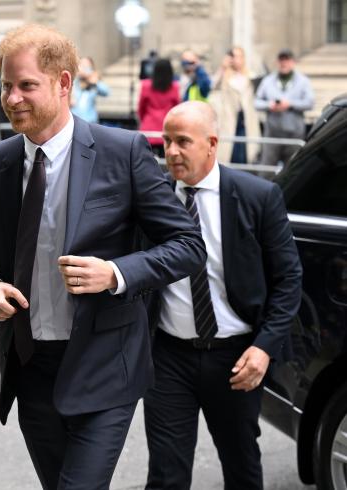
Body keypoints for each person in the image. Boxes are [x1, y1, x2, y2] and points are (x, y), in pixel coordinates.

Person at [0, 24, 206, 489]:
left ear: (63, 83)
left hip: (104, 365)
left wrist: (115, 273)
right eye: (7, 85)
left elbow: (188, 246)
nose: (12, 99)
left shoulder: (122, 152)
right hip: (30, 367)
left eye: (26, 85)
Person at [143, 101, 303, 490]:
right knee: (166, 473)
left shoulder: (257, 196)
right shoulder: (154, 198)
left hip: (235, 357)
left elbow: (288, 279)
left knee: (241, 464)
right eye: (166, 141)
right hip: (167, 358)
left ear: (211, 144)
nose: (172, 152)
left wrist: (264, 348)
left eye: (183, 141)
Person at [255, 49, 314, 167]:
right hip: (272, 134)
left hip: (294, 134)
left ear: (293, 62)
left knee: (293, 169)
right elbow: (256, 102)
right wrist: (269, 105)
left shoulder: (303, 81)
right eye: (281, 60)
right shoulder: (267, 81)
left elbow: (310, 103)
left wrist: (290, 104)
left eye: (287, 60)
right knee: (267, 169)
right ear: (277, 62)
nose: (284, 63)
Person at [209, 47, 261, 164]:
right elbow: (211, 86)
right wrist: (223, 67)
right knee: (229, 153)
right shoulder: (225, 76)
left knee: (246, 154)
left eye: (239, 56)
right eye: (233, 56)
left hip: (246, 121)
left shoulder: (250, 76)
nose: (236, 60)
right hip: (229, 121)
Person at [138, 58, 180, 157]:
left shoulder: (145, 85)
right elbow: (177, 110)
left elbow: (141, 108)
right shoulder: (175, 87)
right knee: (166, 165)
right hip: (167, 129)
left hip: (148, 130)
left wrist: (143, 120)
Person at [70, 56, 109, 123]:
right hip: (75, 120)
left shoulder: (94, 82)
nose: (84, 68)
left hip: (90, 121)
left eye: (86, 66)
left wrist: (95, 82)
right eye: (81, 65)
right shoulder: (74, 81)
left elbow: (106, 92)